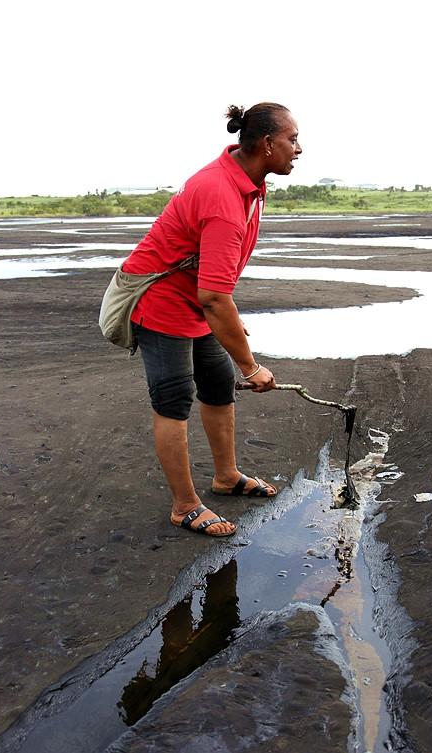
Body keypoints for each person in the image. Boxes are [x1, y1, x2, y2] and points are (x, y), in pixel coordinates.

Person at [122, 102, 302, 537]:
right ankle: (184, 505)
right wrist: (252, 366)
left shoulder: (248, 181)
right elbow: (214, 297)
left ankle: (226, 477)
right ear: (266, 143)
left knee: (219, 384)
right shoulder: (221, 194)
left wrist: (230, 327)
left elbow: (215, 290)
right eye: (292, 139)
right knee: (173, 397)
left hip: (195, 299)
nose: (299, 148)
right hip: (162, 302)